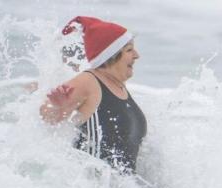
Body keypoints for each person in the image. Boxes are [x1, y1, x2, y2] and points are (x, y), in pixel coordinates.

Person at [39, 16, 147, 174]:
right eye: (129, 50)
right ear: (111, 55)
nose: (137, 55)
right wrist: (55, 106)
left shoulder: (119, 88)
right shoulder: (88, 81)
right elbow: (48, 117)